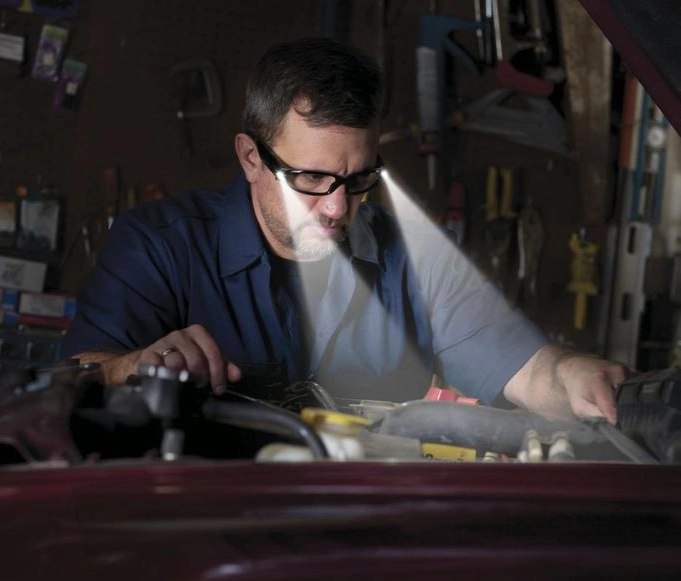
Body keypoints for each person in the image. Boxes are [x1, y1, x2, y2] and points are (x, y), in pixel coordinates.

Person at [64, 36, 630, 424]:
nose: (338, 208)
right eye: (311, 178)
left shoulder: (416, 257)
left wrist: (576, 375)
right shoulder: (158, 245)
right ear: (250, 158)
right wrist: (133, 367)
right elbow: (76, 379)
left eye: (359, 179)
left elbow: (527, 369)